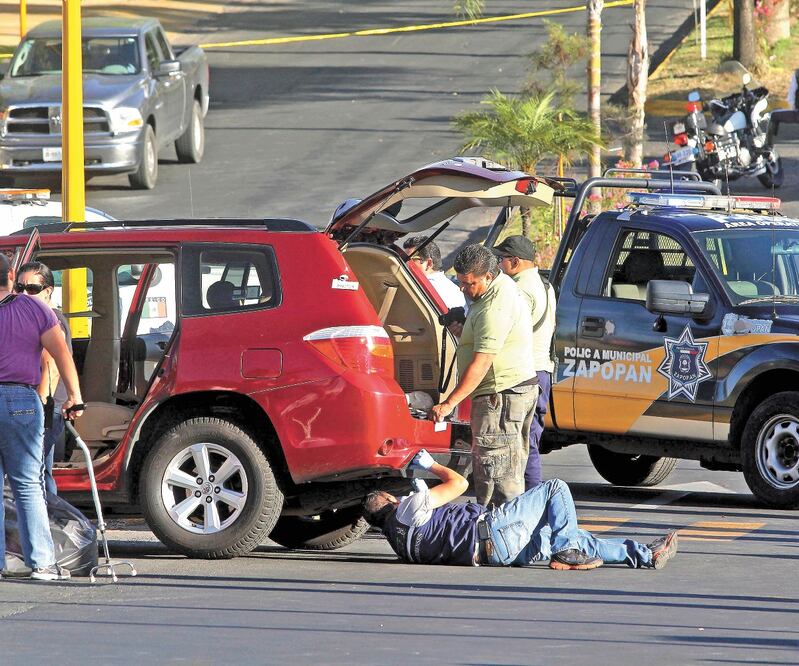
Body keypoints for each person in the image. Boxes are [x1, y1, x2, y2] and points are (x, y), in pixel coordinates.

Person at [362, 450, 678, 571]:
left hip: (495, 555)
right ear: (390, 500)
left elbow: (435, 529)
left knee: (568, 533)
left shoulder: (399, 542)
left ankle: (642, 555)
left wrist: (422, 499)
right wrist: (429, 464)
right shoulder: (406, 510)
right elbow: (458, 483)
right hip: (493, 530)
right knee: (556, 489)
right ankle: (566, 550)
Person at [430, 244, 537, 507]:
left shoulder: (494, 308)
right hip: (513, 390)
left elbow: (482, 362)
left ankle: (499, 538)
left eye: (470, 283)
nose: (463, 289)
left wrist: (448, 403)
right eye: (461, 282)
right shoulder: (498, 291)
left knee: (497, 476)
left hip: (500, 396)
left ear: (489, 275)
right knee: (507, 468)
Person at [0, 253, 84, 581]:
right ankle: (42, 563)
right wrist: (74, 396)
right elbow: (60, 352)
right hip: (21, 398)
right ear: (10, 274)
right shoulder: (35, 308)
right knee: (27, 484)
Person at [492, 236, 556, 490]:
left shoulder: (518, 290)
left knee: (522, 441)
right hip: (542, 371)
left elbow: (506, 330)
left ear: (515, 261)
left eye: (500, 260)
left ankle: (530, 496)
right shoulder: (545, 285)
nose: (497, 265)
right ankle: (531, 495)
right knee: (530, 439)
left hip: (524, 373)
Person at [17, 261, 72, 496]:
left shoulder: (50, 320)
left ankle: (44, 521)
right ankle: (48, 523)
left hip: (44, 405)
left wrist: (40, 407)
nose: (23, 294)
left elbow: (51, 364)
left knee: (32, 474)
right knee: (42, 471)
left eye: (31, 289)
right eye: (19, 288)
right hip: (45, 405)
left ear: (48, 291)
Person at [402, 235, 466, 310]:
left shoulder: (423, 290)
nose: (404, 264)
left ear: (429, 263)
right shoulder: (451, 288)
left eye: (410, 260)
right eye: (403, 260)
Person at [768, 68, 799, 141]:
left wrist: (792, 109)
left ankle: (768, 145)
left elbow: (791, 95)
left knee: (773, 115)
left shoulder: (797, 74)